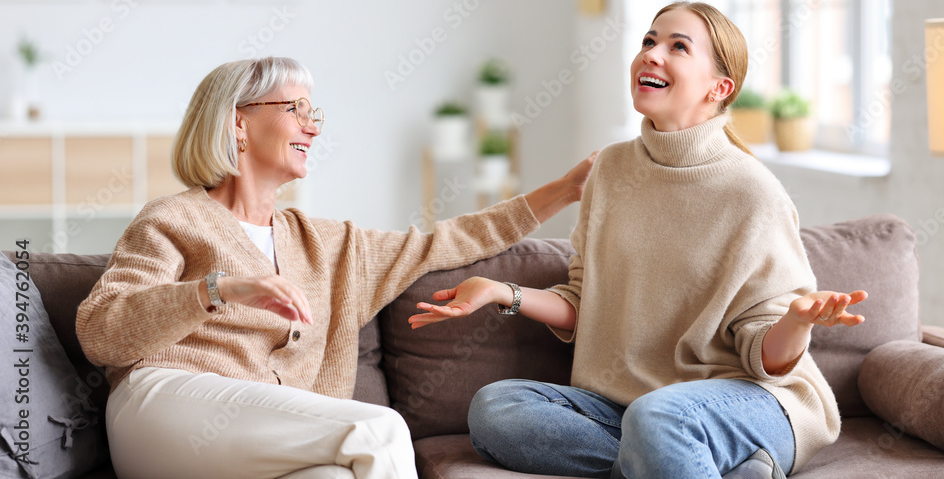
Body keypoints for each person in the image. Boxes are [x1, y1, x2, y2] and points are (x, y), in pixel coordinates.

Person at [76, 57, 595, 479]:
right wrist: (220, 289)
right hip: (163, 411)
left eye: (314, 113)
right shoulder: (175, 218)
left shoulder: (329, 245)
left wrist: (565, 191)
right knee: (378, 432)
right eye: (296, 109)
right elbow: (102, 331)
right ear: (238, 121)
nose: (312, 127)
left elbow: (448, 241)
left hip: (255, 439)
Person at [409, 2, 868, 479]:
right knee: (495, 409)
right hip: (628, 406)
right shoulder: (610, 169)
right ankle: (685, 463)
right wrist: (502, 292)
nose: (652, 54)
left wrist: (796, 322)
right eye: (649, 41)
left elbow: (767, 360)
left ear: (720, 88)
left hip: (752, 402)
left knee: (658, 419)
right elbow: (588, 302)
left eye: (678, 47)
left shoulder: (752, 192)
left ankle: (672, 452)